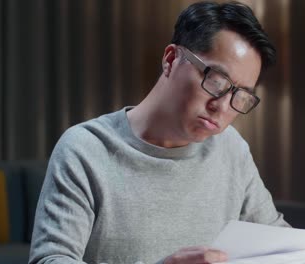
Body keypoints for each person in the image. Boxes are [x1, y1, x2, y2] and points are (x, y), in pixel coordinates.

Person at [29, 1, 290, 264]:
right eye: (216, 81)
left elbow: (277, 239)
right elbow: (50, 259)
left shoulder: (231, 148)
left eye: (241, 95)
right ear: (171, 60)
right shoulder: (86, 149)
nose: (222, 106)